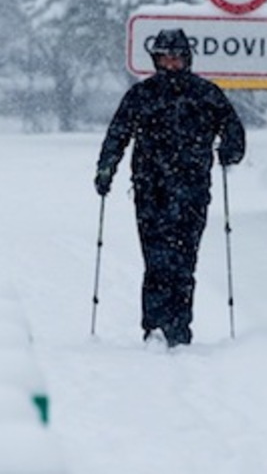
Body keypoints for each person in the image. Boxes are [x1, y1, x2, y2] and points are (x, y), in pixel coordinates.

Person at [94, 28, 246, 347]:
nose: (171, 64)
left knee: (184, 261)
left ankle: (179, 327)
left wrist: (230, 149)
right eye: (164, 57)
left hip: (192, 191)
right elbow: (118, 133)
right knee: (156, 259)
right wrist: (107, 167)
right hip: (151, 189)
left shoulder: (205, 94)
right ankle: (155, 327)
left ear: (186, 59)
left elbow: (232, 128)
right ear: (156, 60)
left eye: (176, 57)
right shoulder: (142, 95)